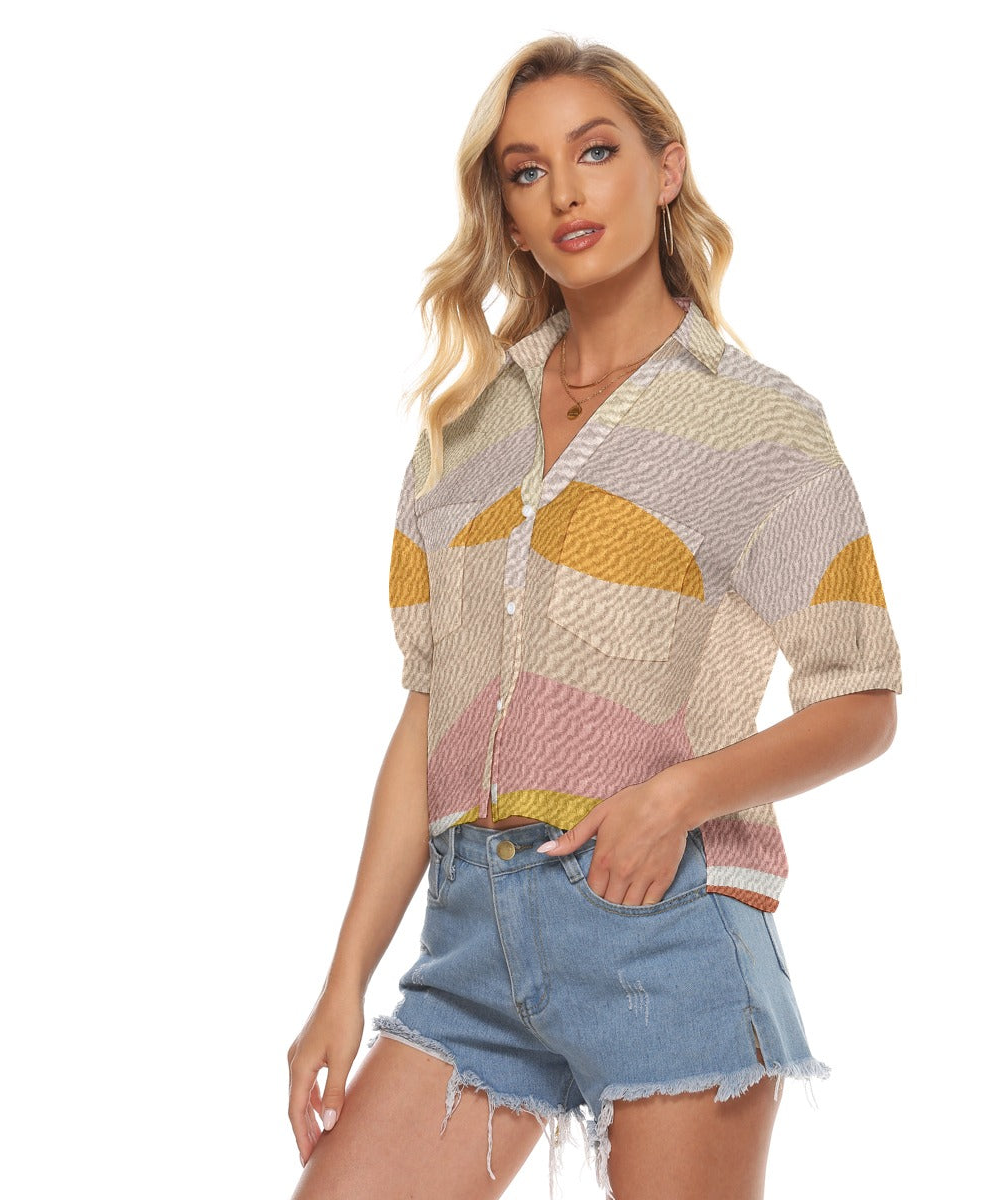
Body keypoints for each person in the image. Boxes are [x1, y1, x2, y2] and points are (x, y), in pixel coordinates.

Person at [287, 34, 902, 1200]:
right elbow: (429, 714)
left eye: (597, 151)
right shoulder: (463, 434)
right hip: (469, 950)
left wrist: (678, 796)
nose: (565, 191)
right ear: (511, 219)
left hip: (665, 935)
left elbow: (862, 699)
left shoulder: (762, 428)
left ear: (667, 170)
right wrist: (342, 984)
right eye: (527, 171)